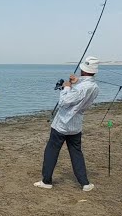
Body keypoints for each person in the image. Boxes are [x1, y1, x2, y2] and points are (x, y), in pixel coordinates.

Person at [34, 56, 100, 191]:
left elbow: (63, 102)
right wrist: (75, 82)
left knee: (51, 151)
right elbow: (83, 88)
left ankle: (46, 181)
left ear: (83, 69)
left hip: (62, 124)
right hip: (76, 126)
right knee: (76, 153)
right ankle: (85, 183)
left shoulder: (81, 88)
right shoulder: (94, 87)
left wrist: (66, 88)